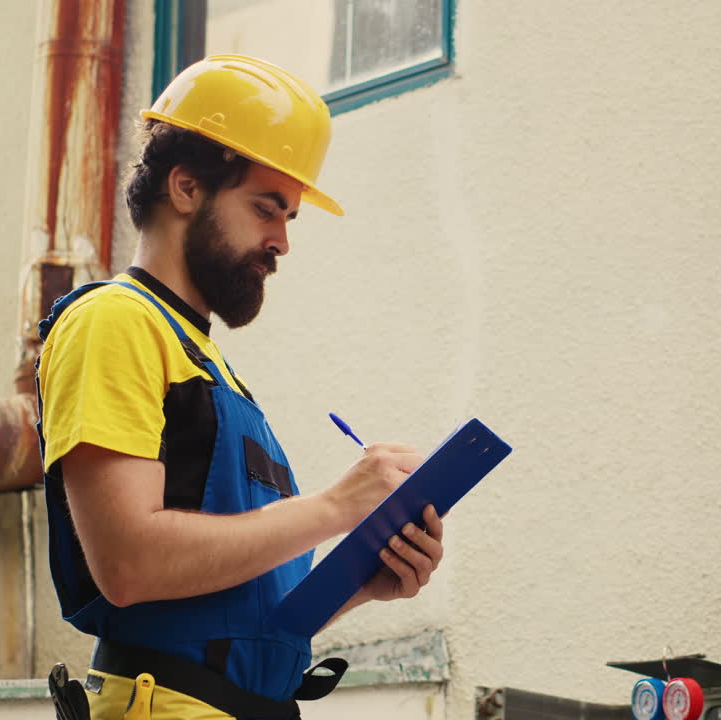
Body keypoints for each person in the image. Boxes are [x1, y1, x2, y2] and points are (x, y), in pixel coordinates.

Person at [35, 55, 444, 720]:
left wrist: (360, 584)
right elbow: (130, 563)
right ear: (187, 187)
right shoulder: (113, 322)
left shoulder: (213, 370)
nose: (281, 240)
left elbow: (232, 608)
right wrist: (340, 505)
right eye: (266, 208)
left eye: (288, 218)